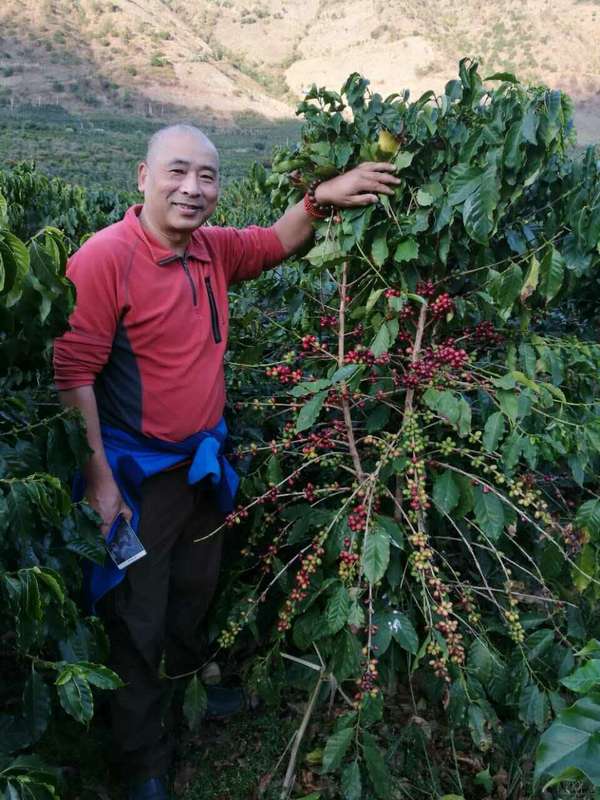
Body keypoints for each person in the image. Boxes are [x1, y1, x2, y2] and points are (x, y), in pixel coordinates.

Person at [53, 124, 399, 800]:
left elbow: (274, 242)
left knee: (192, 594)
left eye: (207, 176)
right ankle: (142, 758)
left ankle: (187, 697)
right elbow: (73, 376)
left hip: (200, 469)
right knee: (137, 615)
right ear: (142, 177)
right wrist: (100, 484)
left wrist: (326, 195)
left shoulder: (211, 250)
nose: (192, 188)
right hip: (135, 478)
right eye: (177, 172)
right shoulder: (103, 258)